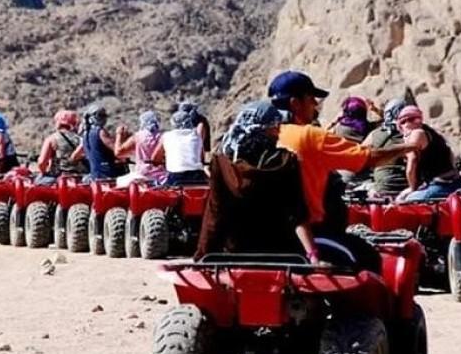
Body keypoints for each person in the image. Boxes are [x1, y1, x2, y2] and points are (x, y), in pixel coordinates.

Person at [269, 70, 417, 242]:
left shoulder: (264, 134)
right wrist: (409, 147)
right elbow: (370, 158)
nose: (315, 105)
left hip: (270, 233)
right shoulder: (310, 136)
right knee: (370, 257)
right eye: (310, 99)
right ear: (295, 103)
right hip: (314, 233)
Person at [196, 100, 319, 264]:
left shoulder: (222, 162)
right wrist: (313, 256)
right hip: (282, 254)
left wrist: (202, 255)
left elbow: (214, 213)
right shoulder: (286, 161)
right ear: (265, 130)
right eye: (276, 126)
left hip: (235, 253)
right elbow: (297, 215)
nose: (279, 130)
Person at [393, 105, 461, 202]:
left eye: (411, 119)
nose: (407, 124)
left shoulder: (417, 134)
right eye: (403, 121)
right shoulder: (433, 133)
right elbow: (451, 156)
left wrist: (412, 188)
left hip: (441, 186)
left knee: (405, 201)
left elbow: (412, 162)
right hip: (456, 183)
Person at [361, 98, 412, 194]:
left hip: (383, 188)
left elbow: (359, 153)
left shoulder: (376, 134)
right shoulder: (414, 134)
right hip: (408, 187)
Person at [72, 103, 128, 181]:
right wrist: (120, 135)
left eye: (104, 115)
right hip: (107, 174)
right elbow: (118, 151)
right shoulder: (100, 132)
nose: (103, 118)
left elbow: (74, 156)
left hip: (95, 174)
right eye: (100, 115)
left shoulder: (85, 135)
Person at [114, 111, 168, 187]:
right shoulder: (163, 137)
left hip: (143, 175)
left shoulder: (137, 137)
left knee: (119, 181)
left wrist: (119, 134)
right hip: (161, 176)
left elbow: (118, 153)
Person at [35, 110, 87, 185]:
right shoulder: (81, 139)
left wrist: (44, 172)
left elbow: (42, 163)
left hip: (59, 178)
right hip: (79, 177)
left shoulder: (52, 139)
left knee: (37, 181)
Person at [161, 107, 208, 186]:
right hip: (198, 176)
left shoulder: (167, 136)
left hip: (176, 176)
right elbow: (201, 158)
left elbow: (155, 157)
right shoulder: (196, 135)